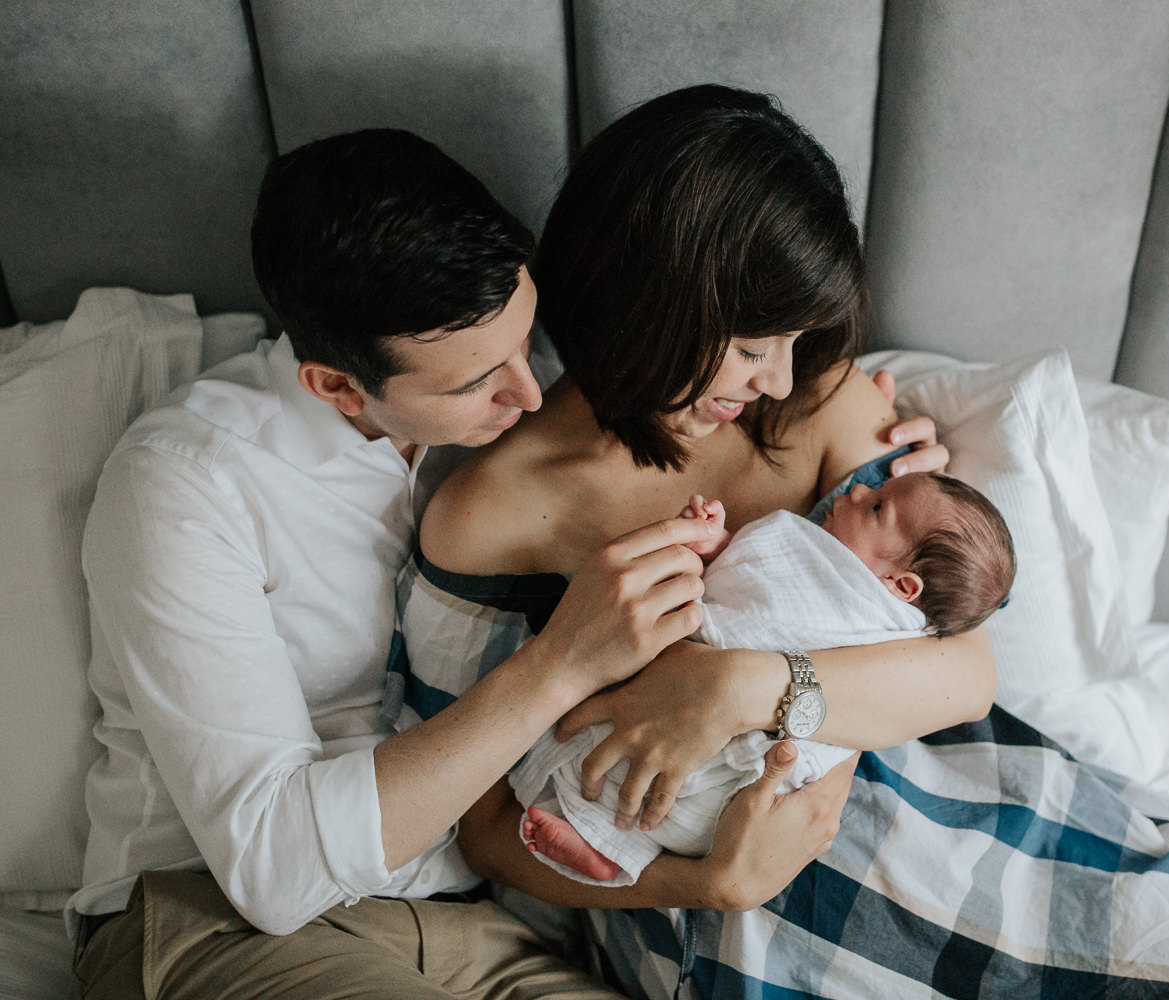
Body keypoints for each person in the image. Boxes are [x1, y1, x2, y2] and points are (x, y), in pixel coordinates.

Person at [400, 86, 1169, 999]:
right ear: (649, 305)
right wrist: (706, 883)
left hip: (934, 777)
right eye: (753, 343)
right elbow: (480, 823)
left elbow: (964, 672)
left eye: (793, 344)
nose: (776, 374)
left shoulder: (810, 404)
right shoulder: (490, 514)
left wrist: (736, 687)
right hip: (710, 881)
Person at [66, 127, 886, 999]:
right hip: (212, 924)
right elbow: (274, 871)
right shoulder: (185, 485)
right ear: (337, 386)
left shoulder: (504, 440)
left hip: (472, 927)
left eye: (525, 343)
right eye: (475, 383)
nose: (529, 396)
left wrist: (894, 499)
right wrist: (561, 664)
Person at [505, 473, 1016, 885]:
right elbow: (744, 581)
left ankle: (611, 844)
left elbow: (967, 679)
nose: (857, 489)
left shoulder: (885, 622)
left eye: (878, 507)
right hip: (701, 714)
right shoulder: (819, 547)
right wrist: (715, 545)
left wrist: (741, 680)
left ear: (901, 586)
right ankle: (606, 847)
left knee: (662, 774)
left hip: (752, 764)